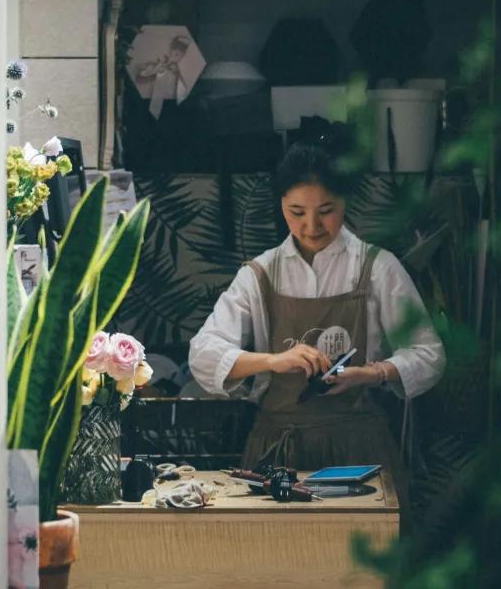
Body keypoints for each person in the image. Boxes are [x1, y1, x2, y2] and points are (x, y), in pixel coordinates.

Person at [188, 143, 445, 497]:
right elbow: (202, 352)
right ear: (280, 205)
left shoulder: (377, 267)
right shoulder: (261, 274)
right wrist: (273, 361)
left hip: (359, 450)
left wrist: (370, 373)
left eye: (326, 210)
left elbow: (429, 353)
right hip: (277, 451)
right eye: (296, 212)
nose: (311, 226)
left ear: (345, 202)